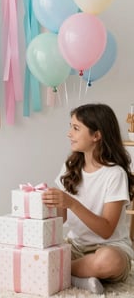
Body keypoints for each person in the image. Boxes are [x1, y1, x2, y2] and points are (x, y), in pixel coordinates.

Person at [42, 103, 134, 294]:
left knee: (108, 262)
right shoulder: (70, 167)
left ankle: (60, 271)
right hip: (76, 246)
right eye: (70, 127)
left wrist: (72, 203)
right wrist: (50, 202)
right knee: (36, 252)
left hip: (110, 247)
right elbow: (62, 219)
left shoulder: (114, 174)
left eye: (76, 128)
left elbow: (107, 230)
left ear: (96, 135)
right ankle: (80, 276)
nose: (69, 133)